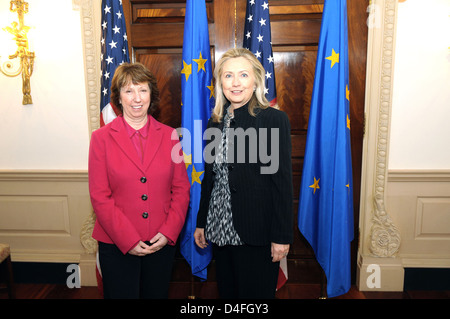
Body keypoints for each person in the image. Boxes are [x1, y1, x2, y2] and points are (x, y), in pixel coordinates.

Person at [194, 48, 293, 299]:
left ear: (256, 80)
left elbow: (281, 183)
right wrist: (201, 222)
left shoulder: (273, 119)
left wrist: (281, 236)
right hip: (219, 227)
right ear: (220, 83)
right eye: (228, 76)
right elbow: (210, 178)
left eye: (243, 75)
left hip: (256, 232)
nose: (235, 83)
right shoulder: (214, 122)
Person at [88, 62, 190, 299]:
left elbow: (182, 189)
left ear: (151, 95)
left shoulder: (170, 135)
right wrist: (128, 239)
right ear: (118, 97)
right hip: (116, 244)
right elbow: (99, 196)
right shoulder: (101, 138)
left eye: (142, 90)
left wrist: (168, 232)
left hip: (160, 243)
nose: (136, 98)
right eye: (128, 90)